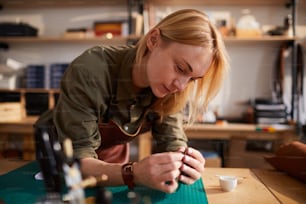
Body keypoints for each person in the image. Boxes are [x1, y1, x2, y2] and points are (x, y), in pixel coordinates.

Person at [35, 8, 229, 193]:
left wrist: (184, 163)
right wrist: (133, 173)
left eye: (192, 79)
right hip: (58, 160)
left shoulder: (172, 89)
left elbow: (172, 141)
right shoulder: (91, 70)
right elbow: (76, 161)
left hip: (113, 164)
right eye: (180, 68)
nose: (181, 86)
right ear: (154, 40)